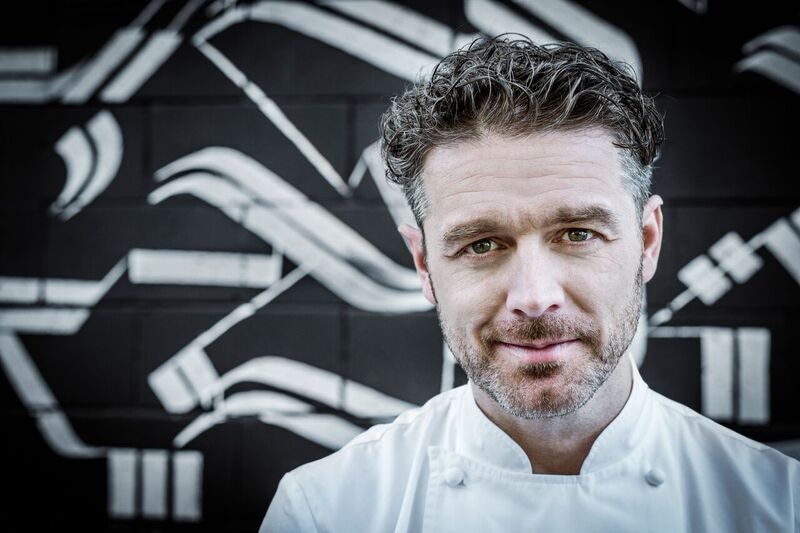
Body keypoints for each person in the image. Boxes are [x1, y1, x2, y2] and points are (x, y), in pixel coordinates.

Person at [260, 35, 799, 532]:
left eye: (578, 233)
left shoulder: (778, 506)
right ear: (425, 266)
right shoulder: (325, 511)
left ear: (648, 241)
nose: (534, 297)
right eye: (481, 244)